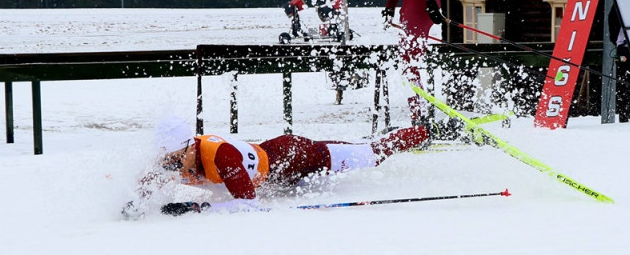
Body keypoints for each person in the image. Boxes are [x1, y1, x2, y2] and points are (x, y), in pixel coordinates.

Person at [121, 116, 429, 218]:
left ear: (191, 146)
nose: (172, 166)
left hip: (295, 157)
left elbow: (247, 205)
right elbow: (144, 184)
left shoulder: (222, 156)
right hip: (274, 171)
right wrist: (132, 206)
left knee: (371, 154)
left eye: (176, 158)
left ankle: (424, 131)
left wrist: (194, 208)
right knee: (351, 147)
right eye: (167, 160)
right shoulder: (170, 157)